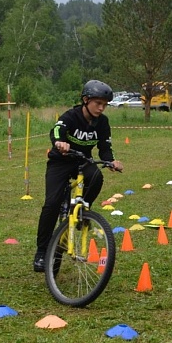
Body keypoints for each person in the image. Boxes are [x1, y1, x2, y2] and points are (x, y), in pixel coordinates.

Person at [34, 80, 123, 272]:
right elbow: (57, 130)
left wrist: (111, 161)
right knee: (52, 204)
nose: (101, 108)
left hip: (82, 161)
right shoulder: (71, 116)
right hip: (61, 161)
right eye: (98, 103)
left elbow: (105, 148)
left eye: (105, 104)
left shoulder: (103, 122)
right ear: (85, 100)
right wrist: (60, 142)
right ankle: (42, 252)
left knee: (96, 177)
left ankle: (83, 211)